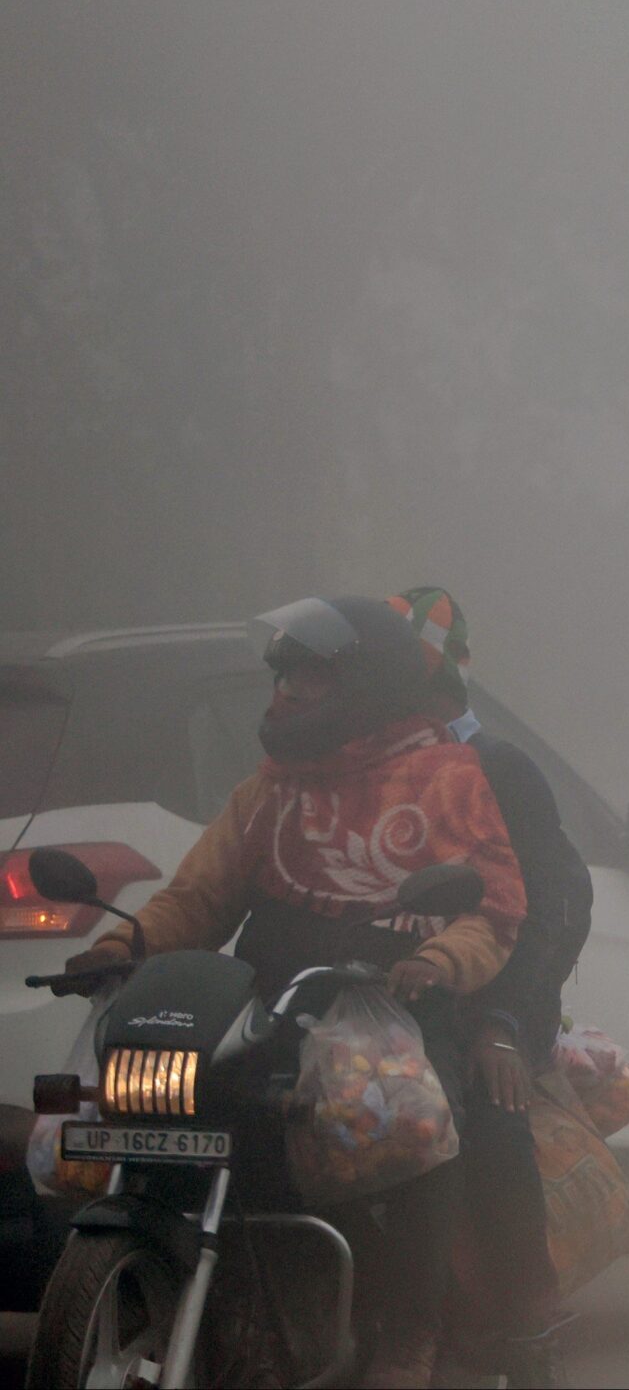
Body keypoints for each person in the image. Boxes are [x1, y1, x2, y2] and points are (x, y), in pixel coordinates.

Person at [60, 595, 527, 1389]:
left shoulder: (446, 779)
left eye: (307, 681)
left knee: (417, 1124)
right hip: (266, 1014)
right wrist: (117, 949)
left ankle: (408, 1334)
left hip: (396, 1013)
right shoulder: (269, 791)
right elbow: (196, 899)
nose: (286, 696)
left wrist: (439, 959)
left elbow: (493, 912)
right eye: (283, 679)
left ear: (368, 684)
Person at [390, 587, 594, 1380]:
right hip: (398, 994)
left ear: (452, 676)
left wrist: (504, 1021)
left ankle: (526, 1319)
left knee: (490, 1118)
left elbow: (555, 906)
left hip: (496, 999)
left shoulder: (500, 768)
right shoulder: (358, 770)